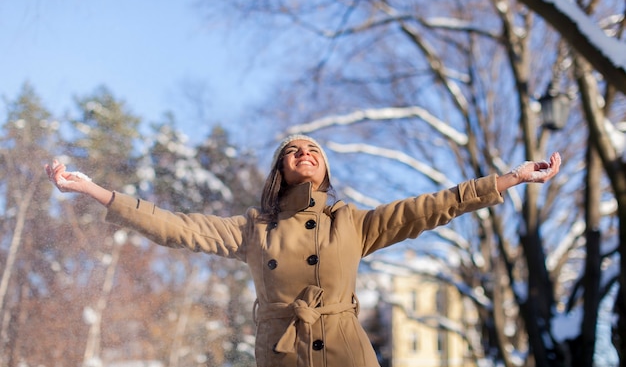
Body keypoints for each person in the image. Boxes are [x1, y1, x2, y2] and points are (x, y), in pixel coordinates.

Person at [46, 134, 561, 367]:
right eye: (293, 150)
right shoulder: (254, 230)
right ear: (280, 170)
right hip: (282, 356)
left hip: (347, 356)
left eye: (314, 149)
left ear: (325, 170)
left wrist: (510, 179)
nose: (304, 153)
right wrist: (95, 191)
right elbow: (175, 227)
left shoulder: (354, 223)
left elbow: (432, 207)